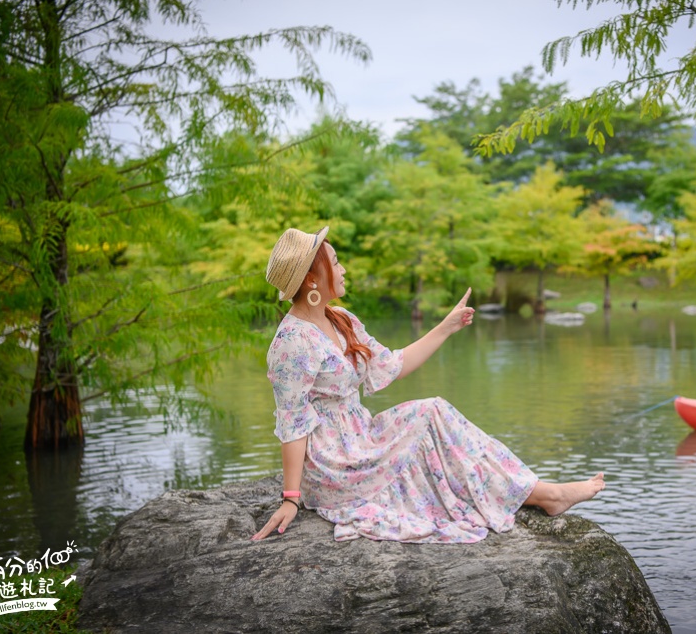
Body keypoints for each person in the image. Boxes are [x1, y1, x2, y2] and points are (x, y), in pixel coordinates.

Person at [252, 226, 604, 543]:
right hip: (333, 461)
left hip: (363, 436)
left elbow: (391, 365)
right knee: (430, 416)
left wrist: (447, 326)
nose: (343, 269)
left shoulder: (341, 319)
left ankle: (540, 491)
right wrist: (291, 498)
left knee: (432, 410)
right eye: (336, 263)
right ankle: (546, 495)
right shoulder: (292, 344)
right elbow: (293, 423)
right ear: (312, 279)